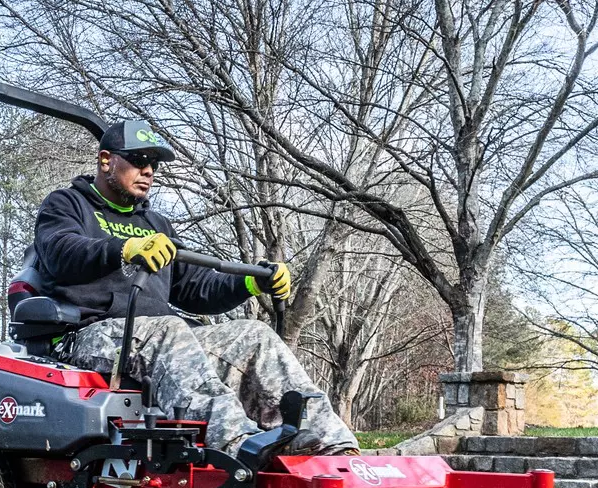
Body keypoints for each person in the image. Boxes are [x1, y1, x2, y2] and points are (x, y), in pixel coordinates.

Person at [29, 118, 359, 455]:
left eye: (154, 164)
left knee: (253, 334)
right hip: (88, 335)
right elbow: (59, 251)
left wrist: (249, 282)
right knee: (168, 329)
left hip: (157, 338)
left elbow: (193, 288)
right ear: (105, 161)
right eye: (139, 160)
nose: (149, 171)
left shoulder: (155, 224)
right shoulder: (67, 204)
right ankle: (240, 445)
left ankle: (331, 447)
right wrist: (123, 249)